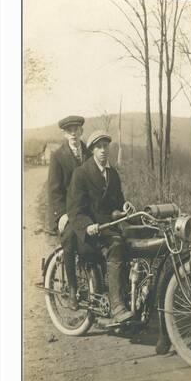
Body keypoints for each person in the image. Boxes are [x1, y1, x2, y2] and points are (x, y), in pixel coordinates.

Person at [67, 130, 133, 323]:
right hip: (91, 232)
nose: (103, 150)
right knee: (115, 246)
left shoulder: (113, 174)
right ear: (92, 150)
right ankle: (116, 305)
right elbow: (75, 210)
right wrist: (88, 225)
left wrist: (124, 208)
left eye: (106, 146)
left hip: (109, 226)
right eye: (99, 147)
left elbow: (117, 202)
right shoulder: (81, 174)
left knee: (132, 244)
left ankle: (130, 297)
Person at [48, 115, 91, 310]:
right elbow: (55, 190)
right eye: (69, 130)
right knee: (70, 239)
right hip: (68, 211)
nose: (73, 133)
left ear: (81, 131)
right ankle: (73, 288)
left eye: (76, 129)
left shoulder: (90, 152)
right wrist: (62, 214)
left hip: (88, 210)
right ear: (64, 134)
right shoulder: (58, 156)